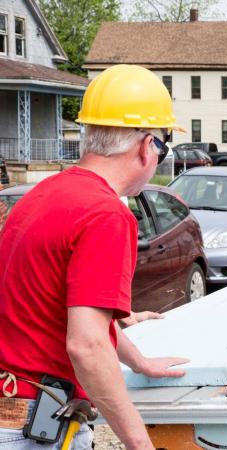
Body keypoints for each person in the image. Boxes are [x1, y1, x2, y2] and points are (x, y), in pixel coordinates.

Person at [0, 64, 189, 450]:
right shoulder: (106, 215)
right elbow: (86, 344)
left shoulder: (41, 195)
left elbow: (78, 313)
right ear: (146, 145)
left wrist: (138, 362)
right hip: (33, 426)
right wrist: (140, 445)